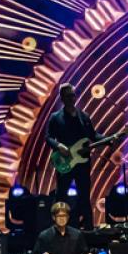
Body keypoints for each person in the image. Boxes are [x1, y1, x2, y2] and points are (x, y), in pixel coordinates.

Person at [44, 83, 98, 227]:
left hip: (82, 162)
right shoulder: (56, 117)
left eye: (73, 95)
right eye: (68, 96)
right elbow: (48, 137)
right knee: (61, 195)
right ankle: (57, 227)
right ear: (62, 98)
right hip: (65, 162)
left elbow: (93, 135)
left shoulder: (84, 116)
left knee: (85, 196)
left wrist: (111, 138)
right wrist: (58, 146)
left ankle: (88, 228)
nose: (72, 98)